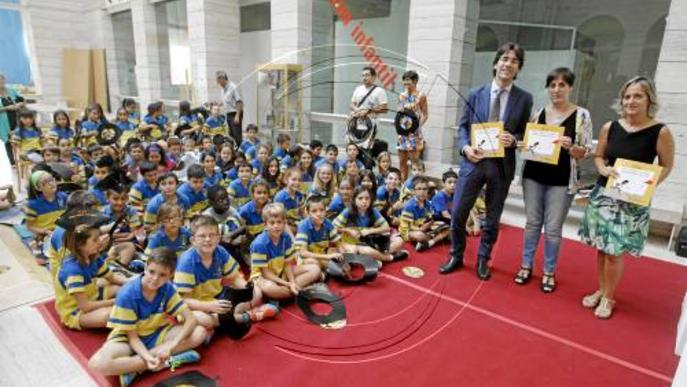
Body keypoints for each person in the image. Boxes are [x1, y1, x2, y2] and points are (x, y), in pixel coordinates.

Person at [579, 76, 674, 319]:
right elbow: (599, 156)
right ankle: (601, 290)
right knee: (602, 249)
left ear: (649, 99)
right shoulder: (610, 127)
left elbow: (666, 165)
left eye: (638, 96)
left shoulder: (660, 131)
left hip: (632, 201)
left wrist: (647, 185)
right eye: (627, 96)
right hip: (604, 196)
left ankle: (609, 298)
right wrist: (603, 169)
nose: (631, 101)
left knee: (614, 252)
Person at [440, 42, 533, 280]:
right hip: (473, 163)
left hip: (501, 166)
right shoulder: (475, 93)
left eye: (513, 61)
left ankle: (483, 259)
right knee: (458, 213)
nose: (507, 64)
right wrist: (465, 147)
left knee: (492, 218)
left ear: (518, 68)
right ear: (495, 64)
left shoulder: (524, 99)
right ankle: (456, 255)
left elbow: (526, 134)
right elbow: (462, 126)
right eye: (504, 59)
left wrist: (513, 139)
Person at [513, 68, 593, 293]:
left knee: (553, 229)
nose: (557, 89)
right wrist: (523, 145)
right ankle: (526, 265)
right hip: (534, 177)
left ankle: (549, 271)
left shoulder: (582, 115)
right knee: (532, 224)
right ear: (548, 88)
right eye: (553, 85)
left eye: (562, 85)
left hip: (561, 180)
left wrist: (573, 148)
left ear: (570, 88)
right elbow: (530, 145)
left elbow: (585, 152)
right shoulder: (538, 112)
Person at [88, 248, 206, 387]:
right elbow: (133, 337)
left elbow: (190, 319)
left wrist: (171, 346)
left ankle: (136, 369)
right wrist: (148, 358)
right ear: (145, 267)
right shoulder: (128, 294)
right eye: (151, 272)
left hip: (157, 333)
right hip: (128, 338)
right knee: (97, 363)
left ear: (171, 275)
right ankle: (166, 361)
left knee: (200, 332)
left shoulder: (167, 288)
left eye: (162, 275)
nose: (155, 279)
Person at [250, 203, 322, 300]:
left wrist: (292, 281)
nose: (276, 226)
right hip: (263, 277)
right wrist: (288, 283)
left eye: (279, 222)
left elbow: (287, 264)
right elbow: (266, 273)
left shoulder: (286, 237)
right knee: (270, 288)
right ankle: (297, 290)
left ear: (284, 223)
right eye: (272, 223)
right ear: (265, 224)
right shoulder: (259, 244)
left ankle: (291, 291)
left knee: (315, 269)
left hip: (281, 271)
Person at [399, 176, 449, 252]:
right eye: (419, 189)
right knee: (420, 235)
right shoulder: (409, 206)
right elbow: (406, 227)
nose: (422, 192)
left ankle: (429, 242)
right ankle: (433, 239)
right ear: (413, 191)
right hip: (411, 231)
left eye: (424, 189)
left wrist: (434, 222)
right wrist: (420, 229)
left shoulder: (428, 203)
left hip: (425, 228)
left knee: (449, 228)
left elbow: (429, 219)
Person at [397, 70, 428, 181]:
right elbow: (399, 112)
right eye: (404, 81)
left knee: (415, 162)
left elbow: (425, 115)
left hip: (415, 133)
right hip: (403, 131)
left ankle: (416, 183)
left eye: (408, 80)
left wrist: (418, 126)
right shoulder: (401, 95)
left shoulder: (421, 95)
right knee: (402, 161)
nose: (406, 83)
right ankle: (403, 185)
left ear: (415, 81)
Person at [348, 66, 388, 152]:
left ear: (374, 77)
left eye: (367, 75)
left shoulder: (379, 91)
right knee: (353, 147)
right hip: (356, 122)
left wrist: (368, 111)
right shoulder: (358, 89)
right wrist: (357, 110)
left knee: (367, 148)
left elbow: (385, 109)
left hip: (371, 123)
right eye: (362, 75)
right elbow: (352, 104)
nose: (364, 77)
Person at [0, 72, 26, 163]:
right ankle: (12, 161)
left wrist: (18, 104)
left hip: (17, 118)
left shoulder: (11, 90)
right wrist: (7, 108)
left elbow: (22, 100)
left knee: (20, 137)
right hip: (3, 122)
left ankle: (23, 158)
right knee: (8, 140)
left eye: (2, 78)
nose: (0, 80)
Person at [216, 71, 243, 144]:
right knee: (231, 135)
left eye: (219, 82)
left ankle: (239, 151)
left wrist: (237, 115)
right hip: (228, 114)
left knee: (237, 135)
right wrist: (217, 104)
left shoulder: (233, 87)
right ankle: (233, 150)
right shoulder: (222, 89)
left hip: (235, 113)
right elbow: (226, 101)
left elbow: (239, 102)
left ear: (222, 78)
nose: (219, 84)